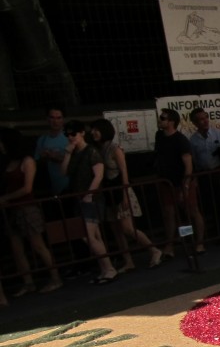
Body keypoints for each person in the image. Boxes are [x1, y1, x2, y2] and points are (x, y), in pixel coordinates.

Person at [92, 118, 162, 271]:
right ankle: (128, 260)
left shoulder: (115, 149)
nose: (93, 133)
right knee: (115, 229)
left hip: (120, 191)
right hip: (109, 193)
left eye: (97, 129)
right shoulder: (98, 149)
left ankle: (154, 250)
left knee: (127, 228)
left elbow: (124, 171)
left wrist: (124, 193)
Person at [0, 127, 62, 296]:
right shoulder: (10, 161)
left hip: (26, 207)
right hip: (12, 209)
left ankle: (55, 278)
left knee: (38, 245)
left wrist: (6, 198)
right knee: (17, 248)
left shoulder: (27, 161)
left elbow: (27, 188)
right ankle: (28, 282)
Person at [60, 120, 117, 284]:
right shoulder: (74, 153)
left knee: (88, 236)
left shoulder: (91, 151)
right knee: (93, 235)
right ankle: (105, 269)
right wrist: (67, 153)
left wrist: (89, 194)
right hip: (79, 196)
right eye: (68, 135)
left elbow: (98, 174)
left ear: (81, 133)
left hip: (91, 198)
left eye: (74, 134)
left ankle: (109, 268)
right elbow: (64, 172)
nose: (71, 137)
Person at [154, 108, 205, 259]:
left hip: (182, 181)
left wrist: (186, 185)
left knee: (192, 210)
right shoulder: (159, 136)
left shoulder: (181, 140)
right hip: (167, 182)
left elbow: (188, 165)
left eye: (163, 118)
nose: (160, 120)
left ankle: (200, 242)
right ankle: (170, 246)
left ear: (171, 122)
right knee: (169, 213)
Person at [189, 108, 220, 236]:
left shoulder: (219, 134)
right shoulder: (193, 140)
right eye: (200, 119)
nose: (204, 121)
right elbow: (194, 159)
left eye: (205, 118)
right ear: (194, 123)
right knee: (213, 206)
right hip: (205, 175)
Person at [33, 105, 69, 196]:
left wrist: (57, 157)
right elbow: (36, 162)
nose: (55, 121)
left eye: (58, 118)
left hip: (69, 187)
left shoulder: (71, 137)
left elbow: (79, 160)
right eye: (52, 118)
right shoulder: (42, 139)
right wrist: (44, 156)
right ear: (47, 119)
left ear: (63, 119)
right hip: (50, 187)